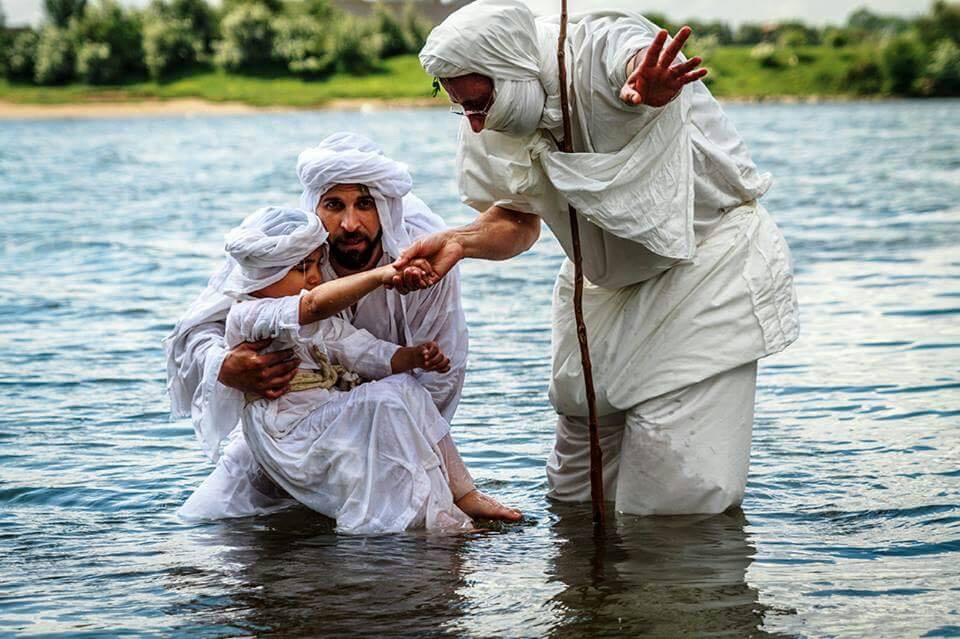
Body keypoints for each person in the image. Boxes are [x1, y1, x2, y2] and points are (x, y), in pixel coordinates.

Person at [396, 0, 800, 515]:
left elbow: (631, 56)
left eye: (479, 104)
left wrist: (644, 87)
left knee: (671, 494)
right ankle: (584, 587)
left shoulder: (594, 41)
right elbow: (518, 220)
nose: (474, 124)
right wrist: (461, 241)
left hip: (703, 268)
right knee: (576, 489)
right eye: (462, 107)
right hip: (598, 287)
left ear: (512, 72)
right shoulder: (488, 115)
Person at [165, 133, 521, 522]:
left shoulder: (424, 259)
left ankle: (457, 497)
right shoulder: (283, 252)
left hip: (387, 431)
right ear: (314, 207)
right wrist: (226, 367)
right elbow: (194, 331)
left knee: (411, 527)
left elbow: (439, 378)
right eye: (334, 205)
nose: (350, 224)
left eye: (365, 204)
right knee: (206, 522)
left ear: (384, 207)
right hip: (285, 430)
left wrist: (372, 448)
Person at [187, 204, 474, 533]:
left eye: (314, 265)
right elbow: (312, 304)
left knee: (404, 387)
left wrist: (412, 357)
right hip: (283, 433)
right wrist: (381, 276)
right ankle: (413, 523)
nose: (312, 277)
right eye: (299, 268)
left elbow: (358, 349)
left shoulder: (314, 322)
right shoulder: (250, 314)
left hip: (318, 420)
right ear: (262, 274)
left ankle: (462, 493)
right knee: (384, 401)